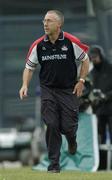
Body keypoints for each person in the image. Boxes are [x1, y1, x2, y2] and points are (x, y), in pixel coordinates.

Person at [19, 10, 89, 173]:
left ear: (59, 25)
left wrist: (81, 81)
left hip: (68, 90)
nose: (45, 23)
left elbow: (85, 60)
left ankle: (72, 140)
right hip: (48, 90)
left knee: (68, 128)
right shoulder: (38, 45)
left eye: (49, 21)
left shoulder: (71, 42)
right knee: (51, 125)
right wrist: (24, 85)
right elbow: (29, 68)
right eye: (44, 20)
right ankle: (54, 165)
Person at [89, 45, 112, 169]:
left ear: (101, 56)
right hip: (99, 110)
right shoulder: (92, 72)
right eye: (92, 58)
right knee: (100, 137)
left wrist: (106, 96)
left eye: (95, 57)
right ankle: (102, 165)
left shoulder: (110, 69)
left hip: (111, 108)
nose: (94, 60)